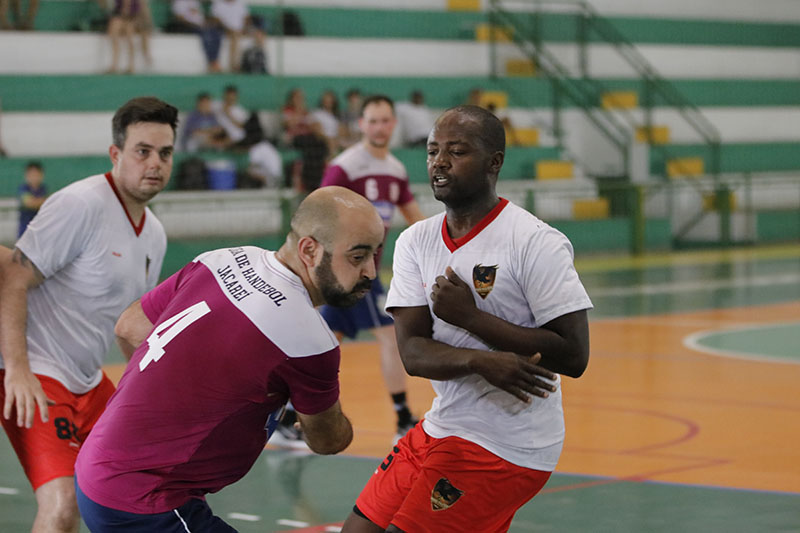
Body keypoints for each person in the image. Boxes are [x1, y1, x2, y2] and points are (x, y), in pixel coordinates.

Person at [73, 186, 386, 532]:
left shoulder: (221, 259)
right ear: (309, 250)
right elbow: (329, 440)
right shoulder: (309, 339)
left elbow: (129, 327)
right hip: (145, 502)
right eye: (357, 257)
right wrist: (326, 420)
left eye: (375, 254)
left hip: (96, 466)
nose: (371, 272)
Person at [341, 105, 593, 533]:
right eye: (432, 151)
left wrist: (471, 319)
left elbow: (574, 355)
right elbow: (413, 353)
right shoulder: (415, 241)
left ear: (494, 162)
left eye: (456, 152)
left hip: (510, 443)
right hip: (443, 425)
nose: (439, 162)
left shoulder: (535, 241)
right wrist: (480, 361)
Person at [0, 96, 177, 533]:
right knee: (63, 503)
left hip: (88, 380)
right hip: (39, 371)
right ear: (116, 153)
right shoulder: (80, 204)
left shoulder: (155, 234)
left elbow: (133, 325)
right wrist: (17, 370)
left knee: (141, 486)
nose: (154, 163)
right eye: (142, 151)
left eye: (165, 153)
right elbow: (12, 277)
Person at [275, 95, 425, 449]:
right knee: (389, 336)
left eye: (385, 120)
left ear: (394, 124)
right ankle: (403, 417)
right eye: (372, 121)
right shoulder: (346, 167)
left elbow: (414, 216)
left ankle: (286, 415)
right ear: (361, 125)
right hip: (349, 272)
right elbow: (317, 212)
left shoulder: (395, 169)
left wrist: (444, 244)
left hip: (365, 272)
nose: (379, 127)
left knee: (323, 342)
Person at [105, 0, 153, 74]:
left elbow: (142, 9)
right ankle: (115, 64)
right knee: (115, 32)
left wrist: (127, 12)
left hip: (131, 17)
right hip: (121, 15)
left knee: (129, 35)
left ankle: (130, 65)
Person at [17, 160, 47, 237]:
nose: (34, 177)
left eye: (36, 174)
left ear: (41, 175)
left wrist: (38, 202)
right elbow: (29, 203)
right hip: (25, 230)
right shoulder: (23, 188)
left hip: (40, 229)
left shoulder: (43, 189)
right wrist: (42, 201)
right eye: (31, 175)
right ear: (26, 175)